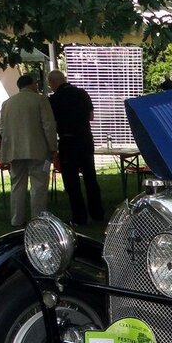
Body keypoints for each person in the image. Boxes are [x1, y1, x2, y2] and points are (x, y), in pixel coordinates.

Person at [0, 74, 58, 227]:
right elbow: (48, 126)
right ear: (32, 84)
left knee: (17, 184)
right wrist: (53, 147)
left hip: (15, 151)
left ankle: (16, 219)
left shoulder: (7, 103)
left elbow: (2, 129)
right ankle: (37, 219)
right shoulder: (40, 100)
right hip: (37, 149)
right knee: (38, 185)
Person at [47, 69, 104, 226]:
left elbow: (53, 123)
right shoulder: (82, 93)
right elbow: (91, 116)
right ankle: (98, 213)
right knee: (90, 177)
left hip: (68, 141)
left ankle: (79, 217)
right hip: (85, 139)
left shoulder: (54, 99)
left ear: (52, 82)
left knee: (72, 181)